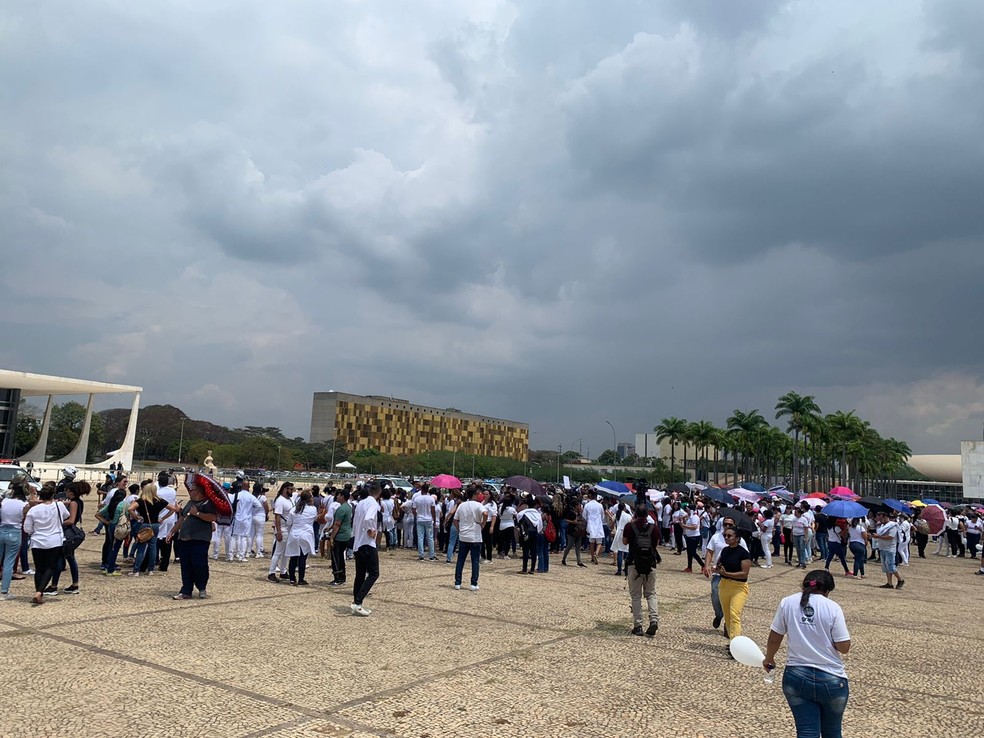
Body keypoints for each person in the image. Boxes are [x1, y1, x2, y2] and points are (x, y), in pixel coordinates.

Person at [763, 570, 851, 738]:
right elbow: (844, 646)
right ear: (827, 591)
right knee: (832, 732)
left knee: (806, 732)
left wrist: (769, 658)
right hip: (831, 678)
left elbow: (775, 637)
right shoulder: (833, 608)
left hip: (796, 677)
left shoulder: (787, 603)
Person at [168, 475, 218, 600]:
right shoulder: (190, 502)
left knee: (199, 564)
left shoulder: (208, 503)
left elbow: (212, 517)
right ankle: (186, 590)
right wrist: (172, 531)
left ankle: (202, 587)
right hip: (185, 538)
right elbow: (182, 518)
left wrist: (198, 514)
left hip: (200, 539)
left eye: (192, 490)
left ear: (199, 491)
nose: (189, 491)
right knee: (186, 565)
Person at [23, 484, 70, 606]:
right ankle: (39, 592)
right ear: (53, 495)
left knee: (39, 568)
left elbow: (27, 528)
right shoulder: (58, 505)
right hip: (54, 540)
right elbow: (66, 516)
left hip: (37, 541)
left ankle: (38, 592)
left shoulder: (33, 510)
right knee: (50, 567)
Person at [702, 515, 748, 636]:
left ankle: (732, 635)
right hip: (720, 575)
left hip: (735, 580)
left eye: (730, 525)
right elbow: (710, 552)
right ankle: (719, 614)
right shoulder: (717, 539)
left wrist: (728, 573)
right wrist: (708, 566)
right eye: (725, 524)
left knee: (733, 613)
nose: (727, 527)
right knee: (715, 596)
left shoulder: (741, 544)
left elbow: (745, 568)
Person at [127, 480, 180, 577]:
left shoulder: (141, 501)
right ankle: (150, 569)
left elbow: (130, 509)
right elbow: (174, 509)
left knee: (141, 548)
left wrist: (136, 517)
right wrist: (163, 518)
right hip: (155, 524)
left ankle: (136, 570)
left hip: (145, 524)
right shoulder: (159, 500)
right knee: (153, 547)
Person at [623, 503, 660, 637]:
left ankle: (638, 625)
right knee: (651, 594)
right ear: (648, 514)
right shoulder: (654, 528)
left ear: (635, 514)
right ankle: (654, 620)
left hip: (634, 563)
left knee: (636, 595)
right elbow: (656, 545)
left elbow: (625, 542)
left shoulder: (629, 526)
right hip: (650, 564)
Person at [715, 527, 751, 644]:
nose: (726, 537)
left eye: (729, 536)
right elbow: (720, 565)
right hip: (724, 585)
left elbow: (744, 574)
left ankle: (736, 644)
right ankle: (732, 641)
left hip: (738, 587)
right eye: (725, 535)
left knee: (734, 614)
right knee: (728, 616)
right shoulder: (725, 550)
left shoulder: (744, 553)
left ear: (737, 538)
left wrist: (727, 573)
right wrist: (717, 568)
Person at [351, 481, 381, 616]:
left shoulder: (361, 503)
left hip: (358, 541)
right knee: (374, 573)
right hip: (367, 543)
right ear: (378, 492)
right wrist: (371, 530)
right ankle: (358, 601)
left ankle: (357, 602)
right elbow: (369, 517)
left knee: (360, 574)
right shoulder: (373, 504)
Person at [452, 485, 487, 591]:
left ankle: (457, 582)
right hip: (475, 536)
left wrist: (459, 530)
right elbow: (485, 513)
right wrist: (483, 524)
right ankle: (473, 583)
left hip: (464, 535)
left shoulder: (462, 505)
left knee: (460, 560)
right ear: (475, 494)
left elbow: (455, 519)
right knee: (475, 561)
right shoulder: (478, 505)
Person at [0, 477, 30, 600]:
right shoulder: (24, 505)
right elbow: (25, 519)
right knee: (8, 563)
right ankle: (4, 591)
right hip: (15, 530)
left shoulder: (4, 501)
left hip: (1, 529)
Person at [95, 479, 128, 575]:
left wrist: (107, 522)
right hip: (120, 526)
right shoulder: (124, 504)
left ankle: (106, 563)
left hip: (111, 525)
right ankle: (111, 566)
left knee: (109, 543)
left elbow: (98, 514)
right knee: (116, 547)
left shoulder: (111, 504)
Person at [286, 489, 317, 585]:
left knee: (293, 557)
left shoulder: (294, 509)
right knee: (303, 558)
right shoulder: (313, 509)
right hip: (305, 534)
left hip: (294, 533)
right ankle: (301, 579)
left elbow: (289, 523)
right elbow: (315, 518)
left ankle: (292, 578)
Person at [267, 483, 294, 583]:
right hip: (282, 528)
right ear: (285, 489)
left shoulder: (290, 500)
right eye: (291, 489)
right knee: (278, 552)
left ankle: (283, 571)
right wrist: (278, 531)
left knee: (286, 552)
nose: (292, 491)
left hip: (289, 528)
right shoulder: (280, 501)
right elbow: (277, 516)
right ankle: (271, 573)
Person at [871, 511, 904, 589]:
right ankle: (889, 583)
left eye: (880, 518)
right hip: (882, 547)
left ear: (885, 516)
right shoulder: (882, 525)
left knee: (891, 566)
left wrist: (878, 537)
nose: (879, 520)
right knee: (885, 566)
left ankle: (900, 579)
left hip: (890, 548)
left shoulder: (893, 526)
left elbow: (890, 537)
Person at [326, 489, 353, 586]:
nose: (337, 497)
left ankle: (338, 577)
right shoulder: (348, 507)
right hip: (346, 534)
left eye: (339, 495)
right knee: (340, 556)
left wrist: (332, 537)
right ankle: (342, 576)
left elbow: (337, 524)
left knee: (336, 557)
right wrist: (330, 527)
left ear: (342, 496)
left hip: (340, 536)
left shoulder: (341, 509)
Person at [156, 471, 179, 572]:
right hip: (170, 517)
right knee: (168, 540)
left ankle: (155, 560)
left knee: (156, 540)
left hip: (160, 516)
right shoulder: (172, 491)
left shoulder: (158, 492)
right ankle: (164, 564)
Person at [516, 496, 543, 575]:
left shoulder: (524, 514)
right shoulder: (537, 514)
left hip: (526, 533)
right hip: (535, 533)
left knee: (525, 551)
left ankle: (524, 569)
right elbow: (540, 525)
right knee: (534, 551)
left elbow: (519, 521)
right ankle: (532, 568)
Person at [560, 495, 586, 567]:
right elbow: (566, 520)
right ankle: (564, 559)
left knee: (578, 546)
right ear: (575, 506)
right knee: (570, 545)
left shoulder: (580, 513)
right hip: (571, 531)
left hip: (579, 531)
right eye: (578, 505)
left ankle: (579, 561)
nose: (580, 506)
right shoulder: (571, 512)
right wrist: (572, 522)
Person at [413, 487, 436, 561]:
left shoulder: (417, 498)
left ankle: (421, 555)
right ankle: (431, 555)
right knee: (430, 537)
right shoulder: (431, 499)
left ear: (421, 490)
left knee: (420, 537)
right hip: (429, 519)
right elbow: (433, 510)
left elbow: (413, 509)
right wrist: (434, 519)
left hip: (420, 519)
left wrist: (417, 515)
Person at [610, 501, 633, 576]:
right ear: (624, 508)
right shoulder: (628, 516)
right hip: (626, 533)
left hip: (618, 533)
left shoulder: (617, 515)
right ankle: (626, 569)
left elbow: (612, 524)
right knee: (626, 552)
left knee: (619, 552)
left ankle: (619, 570)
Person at [682, 504, 705, 574]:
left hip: (694, 536)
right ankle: (689, 567)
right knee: (689, 552)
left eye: (688, 510)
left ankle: (703, 565)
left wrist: (685, 526)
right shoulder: (690, 517)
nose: (687, 511)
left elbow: (694, 527)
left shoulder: (694, 517)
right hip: (689, 536)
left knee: (693, 552)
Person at [582, 495, 605, 564]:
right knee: (599, 542)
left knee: (591, 542)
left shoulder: (587, 505)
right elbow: (602, 516)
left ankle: (592, 557)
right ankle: (596, 553)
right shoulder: (600, 505)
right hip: (598, 525)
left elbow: (584, 515)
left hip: (590, 525)